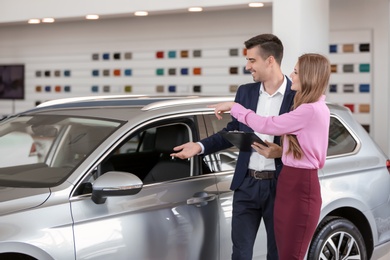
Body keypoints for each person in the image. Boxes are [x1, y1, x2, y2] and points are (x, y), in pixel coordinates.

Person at [171, 33, 296, 260]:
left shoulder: (297, 96)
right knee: (240, 253)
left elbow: (308, 143)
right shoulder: (245, 92)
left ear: (270, 60)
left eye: (252, 60)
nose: (247, 66)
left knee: (278, 254)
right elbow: (232, 131)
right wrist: (199, 146)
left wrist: (282, 151)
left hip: (280, 185)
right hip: (246, 184)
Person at [209, 53, 331, 260]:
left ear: (309, 77)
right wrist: (282, 151)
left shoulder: (309, 110)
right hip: (289, 183)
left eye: (296, 72)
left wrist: (235, 108)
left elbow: (268, 125)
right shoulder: (312, 108)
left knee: (290, 255)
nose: (292, 75)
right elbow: (307, 148)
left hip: (300, 186)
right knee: (284, 253)